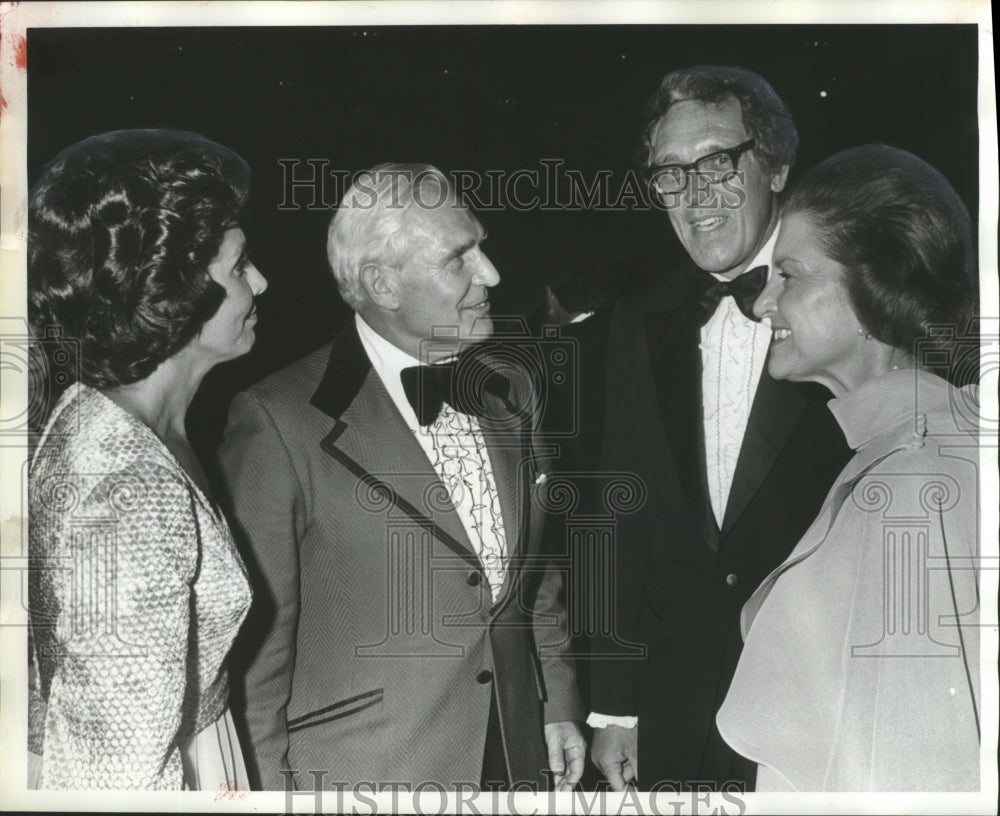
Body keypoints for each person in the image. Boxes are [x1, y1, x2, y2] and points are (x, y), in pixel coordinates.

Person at [217, 164, 585, 792]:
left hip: (518, 756)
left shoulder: (512, 387)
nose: (491, 275)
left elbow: (535, 571)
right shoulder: (277, 422)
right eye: (459, 259)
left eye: (483, 249)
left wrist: (557, 701)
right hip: (365, 776)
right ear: (382, 284)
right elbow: (255, 658)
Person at [589, 66, 853, 792]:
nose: (693, 195)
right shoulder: (637, 321)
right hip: (676, 706)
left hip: (819, 710)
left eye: (715, 164)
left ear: (775, 165)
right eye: (670, 173)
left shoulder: (857, 296)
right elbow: (620, 514)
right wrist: (615, 706)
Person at [716, 144, 981, 791]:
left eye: (791, 276)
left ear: (876, 283)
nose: (761, 304)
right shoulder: (919, 444)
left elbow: (922, 773)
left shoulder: (912, 483)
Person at [27, 128, 267, 790]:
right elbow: (117, 770)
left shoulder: (109, 418)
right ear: (175, 291)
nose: (262, 282)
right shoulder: (130, 494)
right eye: (241, 266)